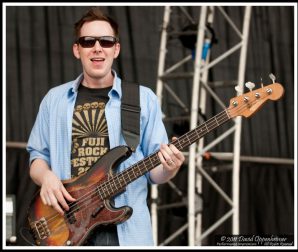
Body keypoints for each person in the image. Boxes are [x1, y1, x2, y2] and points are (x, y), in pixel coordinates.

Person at [27, 7, 185, 246]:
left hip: (126, 235)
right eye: (88, 41)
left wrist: (171, 168)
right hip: (66, 225)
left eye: (106, 41)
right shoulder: (54, 99)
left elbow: (156, 173)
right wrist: (47, 177)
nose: (97, 47)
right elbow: (37, 157)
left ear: (116, 49)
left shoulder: (143, 99)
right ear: (76, 50)